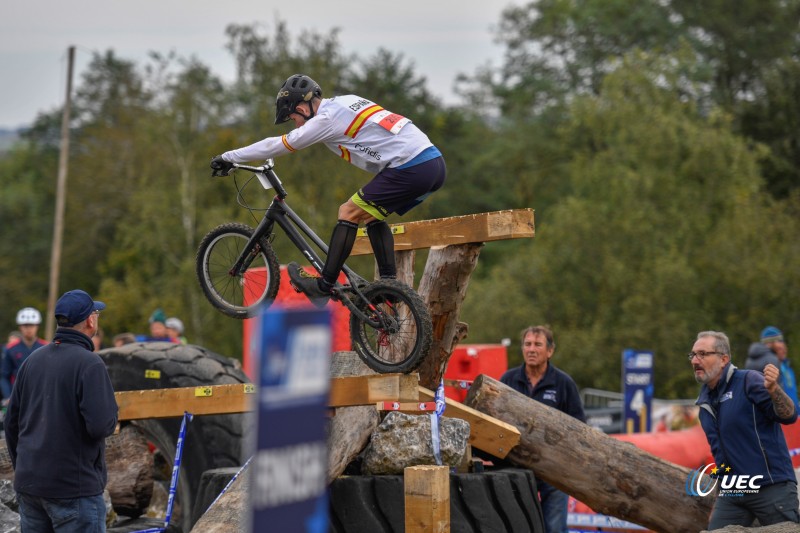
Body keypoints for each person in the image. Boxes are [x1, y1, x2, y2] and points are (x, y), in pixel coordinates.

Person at [210, 74, 446, 306]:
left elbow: (277, 145)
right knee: (371, 216)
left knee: (348, 211)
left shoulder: (325, 119)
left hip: (412, 166)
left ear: (302, 107)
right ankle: (389, 286)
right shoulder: (345, 101)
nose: (297, 124)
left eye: (293, 118)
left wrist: (228, 157)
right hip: (433, 164)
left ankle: (324, 286)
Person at [4, 289, 118, 532]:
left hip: (30, 487)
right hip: (74, 491)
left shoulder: (31, 361)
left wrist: (24, 466)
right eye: (96, 313)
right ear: (90, 320)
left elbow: (11, 423)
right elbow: (101, 425)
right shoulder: (90, 364)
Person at [692, 330, 799, 529]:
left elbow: (789, 415)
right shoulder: (705, 404)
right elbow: (720, 455)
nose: (695, 360)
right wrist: (720, 497)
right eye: (693, 355)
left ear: (723, 359)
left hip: (772, 486)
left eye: (703, 354)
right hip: (734, 492)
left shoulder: (749, 381)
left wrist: (774, 389)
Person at [500, 325, 585, 533]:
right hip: (516, 467)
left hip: (554, 470)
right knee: (516, 527)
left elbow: (579, 426)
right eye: (527, 344)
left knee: (554, 528)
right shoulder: (508, 381)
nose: (531, 349)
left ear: (550, 351)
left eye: (538, 344)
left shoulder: (563, 384)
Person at [745, 326, 799, 409]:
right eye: (779, 341)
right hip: (782, 415)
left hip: (791, 415)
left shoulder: (785, 365)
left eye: (782, 342)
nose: (783, 346)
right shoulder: (772, 361)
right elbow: (776, 391)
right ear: (769, 344)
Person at [1, 307, 48, 401]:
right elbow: (4, 376)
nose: (28, 329)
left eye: (32, 325)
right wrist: (8, 396)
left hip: (41, 397)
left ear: (37, 326)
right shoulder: (10, 349)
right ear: (20, 327)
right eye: (25, 325)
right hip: (17, 397)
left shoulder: (46, 347)